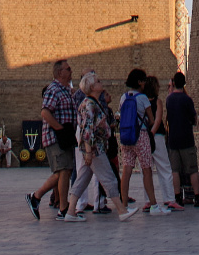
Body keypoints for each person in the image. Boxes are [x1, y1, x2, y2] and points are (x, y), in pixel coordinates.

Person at [65, 72, 137, 223]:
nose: (100, 83)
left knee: (82, 179)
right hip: (95, 148)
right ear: (92, 87)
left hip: (93, 148)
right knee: (109, 178)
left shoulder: (92, 103)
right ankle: (121, 210)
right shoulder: (90, 104)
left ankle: (71, 211)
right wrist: (89, 151)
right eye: (98, 81)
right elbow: (87, 130)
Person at [26, 57, 79, 221]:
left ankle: (36, 197)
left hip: (65, 136)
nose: (71, 71)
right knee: (63, 170)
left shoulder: (65, 90)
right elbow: (45, 112)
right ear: (59, 73)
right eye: (68, 69)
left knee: (65, 171)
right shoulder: (53, 89)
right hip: (56, 137)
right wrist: (59, 129)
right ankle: (63, 208)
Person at [118, 68, 161, 215]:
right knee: (146, 169)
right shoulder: (142, 98)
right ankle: (154, 205)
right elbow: (151, 119)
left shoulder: (124, 97)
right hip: (140, 136)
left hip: (126, 137)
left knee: (126, 170)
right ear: (140, 82)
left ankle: (124, 205)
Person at [165, 71, 199, 207]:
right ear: (184, 84)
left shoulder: (169, 99)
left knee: (175, 170)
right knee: (192, 169)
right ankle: (196, 196)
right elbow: (193, 118)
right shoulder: (186, 99)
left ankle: (177, 197)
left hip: (173, 139)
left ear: (173, 84)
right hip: (186, 139)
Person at [146, 75, 177, 211]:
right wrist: (152, 135)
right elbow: (158, 120)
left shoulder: (140, 100)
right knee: (164, 168)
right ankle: (169, 198)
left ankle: (148, 201)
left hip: (143, 137)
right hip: (156, 136)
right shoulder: (157, 101)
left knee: (146, 170)